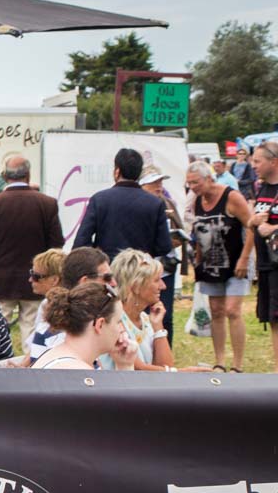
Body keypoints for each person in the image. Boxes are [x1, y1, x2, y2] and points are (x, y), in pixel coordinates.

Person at [0, 156, 62, 355]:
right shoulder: (47, 203)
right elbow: (56, 244)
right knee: (31, 328)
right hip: (39, 279)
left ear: (5, 176)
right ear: (29, 174)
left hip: (2, 278)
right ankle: (30, 366)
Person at [185, 160, 253, 371]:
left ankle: (237, 365)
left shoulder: (231, 197)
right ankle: (220, 361)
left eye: (196, 182)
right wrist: (197, 260)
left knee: (232, 310)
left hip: (235, 261)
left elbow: (251, 226)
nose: (193, 187)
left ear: (209, 178)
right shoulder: (197, 201)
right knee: (216, 311)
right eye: (189, 184)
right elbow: (198, 231)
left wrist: (244, 259)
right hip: (211, 264)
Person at [71, 148, 174, 262]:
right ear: (139, 173)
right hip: (141, 270)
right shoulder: (155, 203)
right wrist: (145, 253)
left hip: (108, 270)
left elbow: (81, 242)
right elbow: (164, 246)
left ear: (117, 171)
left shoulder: (99, 199)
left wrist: (98, 256)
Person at [27, 247, 112, 362]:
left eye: (36, 276)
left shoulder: (89, 317)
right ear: (84, 281)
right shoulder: (60, 327)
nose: (30, 279)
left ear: (55, 279)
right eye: (107, 278)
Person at [138, 165, 187, 345]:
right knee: (140, 314)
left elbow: (180, 228)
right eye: (153, 182)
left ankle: (166, 352)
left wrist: (177, 239)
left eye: (160, 181)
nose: (158, 186)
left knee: (166, 315)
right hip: (142, 270)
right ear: (142, 184)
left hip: (165, 269)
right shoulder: (137, 205)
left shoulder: (168, 203)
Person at [32, 283, 129, 370]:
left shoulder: (61, 357)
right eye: (118, 322)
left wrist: (124, 364)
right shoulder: (81, 375)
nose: (122, 329)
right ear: (100, 325)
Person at [250, 140, 278, 370]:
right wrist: (253, 221)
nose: (253, 165)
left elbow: (269, 227)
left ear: (274, 161)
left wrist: (273, 229)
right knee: (273, 319)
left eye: (258, 161)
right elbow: (256, 221)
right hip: (266, 265)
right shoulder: (262, 188)